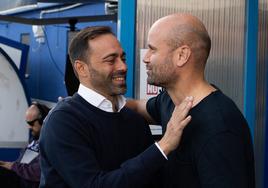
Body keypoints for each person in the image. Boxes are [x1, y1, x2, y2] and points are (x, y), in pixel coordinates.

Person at [39, 26, 193, 188]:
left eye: (123, 58)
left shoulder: (134, 120)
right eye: (110, 60)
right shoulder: (63, 121)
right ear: (81, 68)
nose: (123, 67)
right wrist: (163, 146)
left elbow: (154, 176)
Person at [127, 13, 255, 188]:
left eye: (153, 49)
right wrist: (99, 99)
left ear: (182, 55)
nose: (146, 57)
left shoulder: (220, 129)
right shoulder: (170, 101)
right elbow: (137, 106)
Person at [0, 102, 50, 188]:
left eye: (31, 123)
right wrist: (10, 165)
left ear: (42, 120)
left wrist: (13, 166)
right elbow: (22, 164)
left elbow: (39, 172)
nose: (29, 127)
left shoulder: (50, 143)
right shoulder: (34, 140)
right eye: (27, 123)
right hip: (18, 177)